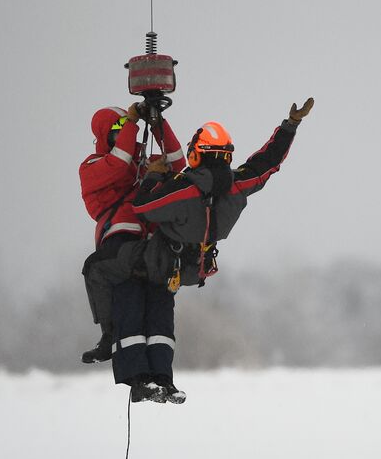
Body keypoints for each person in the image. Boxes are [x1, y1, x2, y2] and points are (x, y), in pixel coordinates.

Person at [116, 96, 314, 404]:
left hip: (155, 262)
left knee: (112, 279)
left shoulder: (185, 189)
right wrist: (290, 126)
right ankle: (163, 381)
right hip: (190, 268)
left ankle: (139, 377)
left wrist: (154, 175)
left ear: (198, 152)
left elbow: (142, 206)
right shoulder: (237, 185)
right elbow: (268, 162)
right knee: (161, 322)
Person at [78, 103, 186, 364]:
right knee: (110, 282)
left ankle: (156, 371)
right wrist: (133, 121)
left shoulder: (141, 159)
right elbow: (118, 163)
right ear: (104, 134)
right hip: (119, 237)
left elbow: (177, 162)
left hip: (150, 240)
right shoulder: (93, 166)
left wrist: (159, 123)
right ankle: (109, 336)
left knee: (155, 304)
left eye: (124, 126)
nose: (124, 130)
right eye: (117, 127)